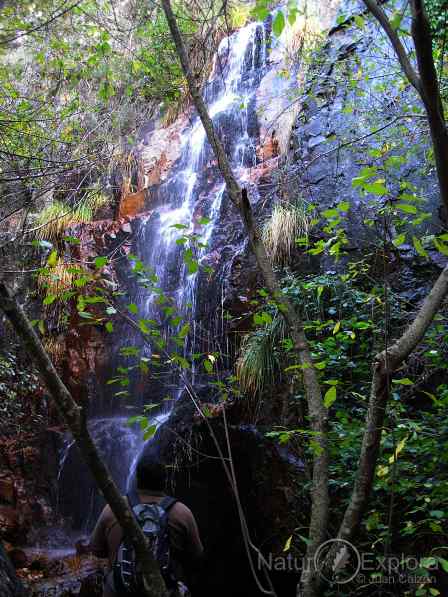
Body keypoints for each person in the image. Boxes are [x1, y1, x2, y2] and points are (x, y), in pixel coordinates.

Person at [86, 457, 204, 597]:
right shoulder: (182, 513)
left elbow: (96, 549)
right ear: (165, 480)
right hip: (164, 592)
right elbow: (197, 556)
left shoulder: (113, 508)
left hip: (119, 591)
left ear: (136, 479)